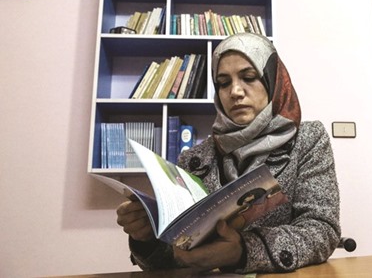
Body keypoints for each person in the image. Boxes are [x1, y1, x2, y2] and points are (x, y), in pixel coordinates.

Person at [116, 32, 341, 274]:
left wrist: (244, 250)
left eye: (249, 77)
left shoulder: (308, 139)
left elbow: (322, 230)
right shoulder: (194, 159)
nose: (234, 91)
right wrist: (146, 238)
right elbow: (172, 261)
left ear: (273, 81)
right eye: (223, 82)